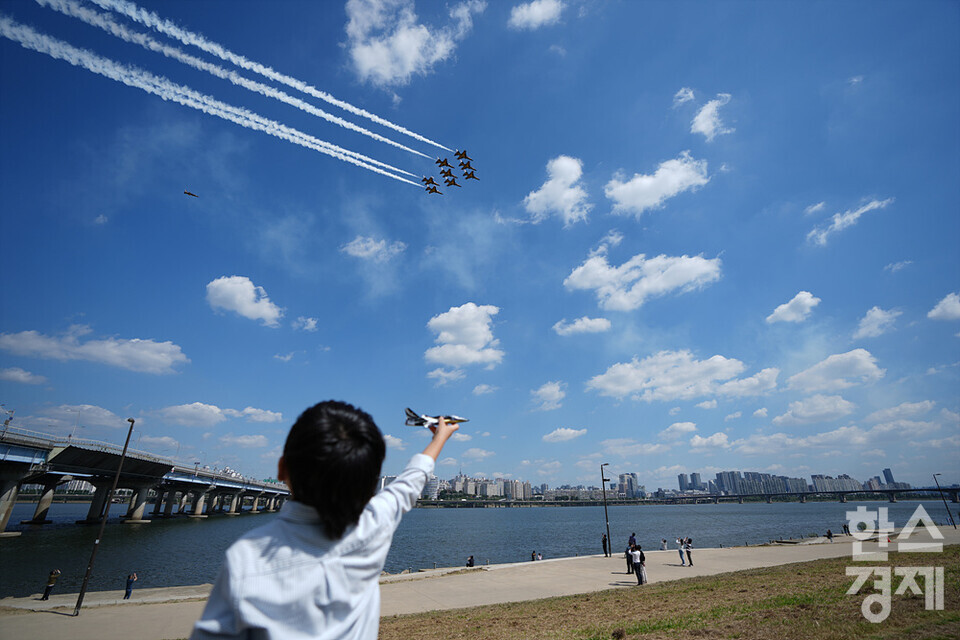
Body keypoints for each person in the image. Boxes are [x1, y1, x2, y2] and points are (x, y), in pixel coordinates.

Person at [191, 400, 458, 640]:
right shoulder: (373, 525)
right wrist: (440, 438)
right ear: (371, 481)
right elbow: (412, 480)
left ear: (282, 468)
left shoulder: (247, 557)